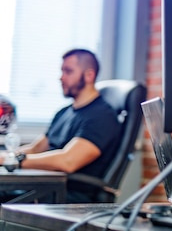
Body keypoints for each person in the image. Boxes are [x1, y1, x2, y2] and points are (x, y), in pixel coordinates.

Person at [0, 49, 122, 203]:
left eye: (68, 71)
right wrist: (6, 156)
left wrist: (11, 161)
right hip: (45, 187)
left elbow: (67, 161)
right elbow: (35, 148)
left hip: (69, 195)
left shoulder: (102, 116)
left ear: (89, 75)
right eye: (62, 71)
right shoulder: (64, 113)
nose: (61, 77)